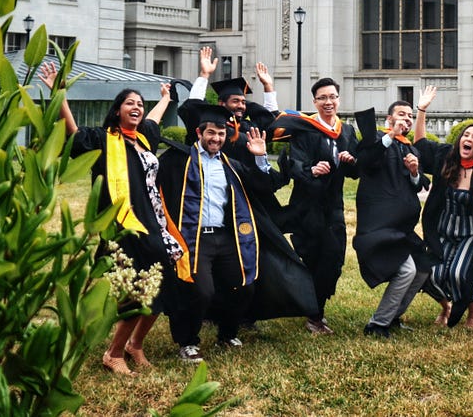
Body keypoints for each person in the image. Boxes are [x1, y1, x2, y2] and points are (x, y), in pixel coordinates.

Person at [38, 63, 188, 376]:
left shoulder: (143, 138)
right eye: (130, 103)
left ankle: (135, 345)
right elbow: (73, 133)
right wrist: (59, 93)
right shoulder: (103, 139)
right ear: (117, 110)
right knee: (136, 287)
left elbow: (154, 119)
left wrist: (164, 98)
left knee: (163, 280)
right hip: (122, 224)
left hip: (154, 221)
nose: (137, 107)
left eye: (140, 104)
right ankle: (114, 352)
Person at [158, 103, 290, 362]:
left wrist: (260, 157)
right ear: (199, 133)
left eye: (220, 134)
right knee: (200, 291)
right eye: (211, 133)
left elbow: (265, 185)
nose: (216, 138)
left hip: (227, 236)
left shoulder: (231, 165)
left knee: (243, 286)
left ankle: (227, 334)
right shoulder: (179, 161)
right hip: (194, 238)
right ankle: (188, 342)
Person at [268, 77, 358, 334]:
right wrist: (312, 169)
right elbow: (295, 164)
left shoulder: (347, 131)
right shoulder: (305, 129)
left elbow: (356, 171)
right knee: (311, 258)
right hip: (307, 207)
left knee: (334, 260)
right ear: (315, 102)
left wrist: (351, 160)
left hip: (334, 206)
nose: (328, 102)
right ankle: (314, 315)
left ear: (338, 99)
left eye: (332, 97)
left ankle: (315, 309)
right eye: (322, 98)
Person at [352, 102, 434, 338]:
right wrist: (391, 136)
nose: (407, 119)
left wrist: (415, 172)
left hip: (402, 228)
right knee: (407, 270)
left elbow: (420, 184)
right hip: (380, 226)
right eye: (401, 114)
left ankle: (392, 316)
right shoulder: (377, 140)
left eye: (410, 116)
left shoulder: (411, 149)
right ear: (389, 119)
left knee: (422, 268)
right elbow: (365, 162)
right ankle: (377, 325)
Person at [412, 86, 473, 329]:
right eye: (466, 135)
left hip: (470, 234)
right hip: (442, 230)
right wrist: (421, 110)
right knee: (431, 274)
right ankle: (446, 306)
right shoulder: (446, 157)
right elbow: (420, 143)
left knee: (458, 274)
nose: (469, 139)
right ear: (460, 140)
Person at [178, 46, 280, 168]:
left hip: (241, 178)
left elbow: (270, 121)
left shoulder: (246, 128)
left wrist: (268, 86)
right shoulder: (210, 124)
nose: (241, 105)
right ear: (221, 103)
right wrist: (204, 74)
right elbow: (193, 108)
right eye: (235, 101)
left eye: (244, 102)